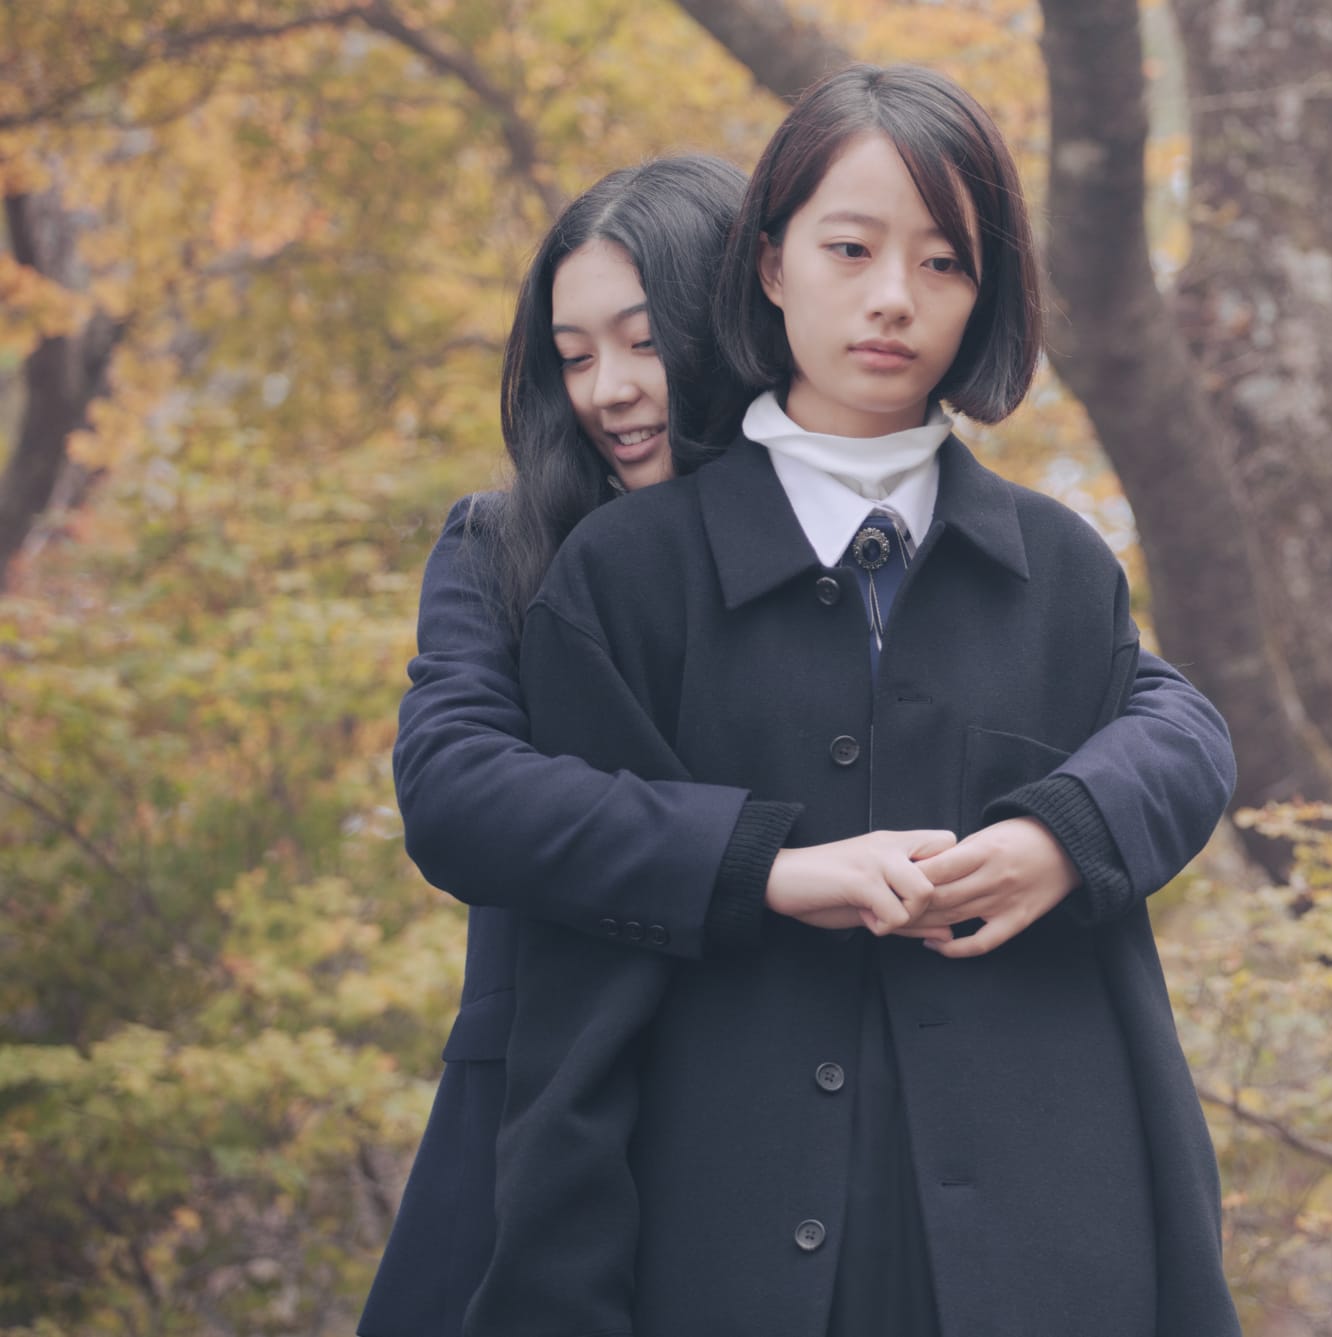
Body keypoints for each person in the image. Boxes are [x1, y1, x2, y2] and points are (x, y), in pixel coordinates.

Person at [358, 150, 1235, 1336]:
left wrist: (1059, 829)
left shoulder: (925, 543)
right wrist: (758, 862)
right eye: (572, 356)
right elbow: (456, 785)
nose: (609, 389)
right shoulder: (511, 544)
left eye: (642, 341)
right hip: (560, 1077)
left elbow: (1168, 711)